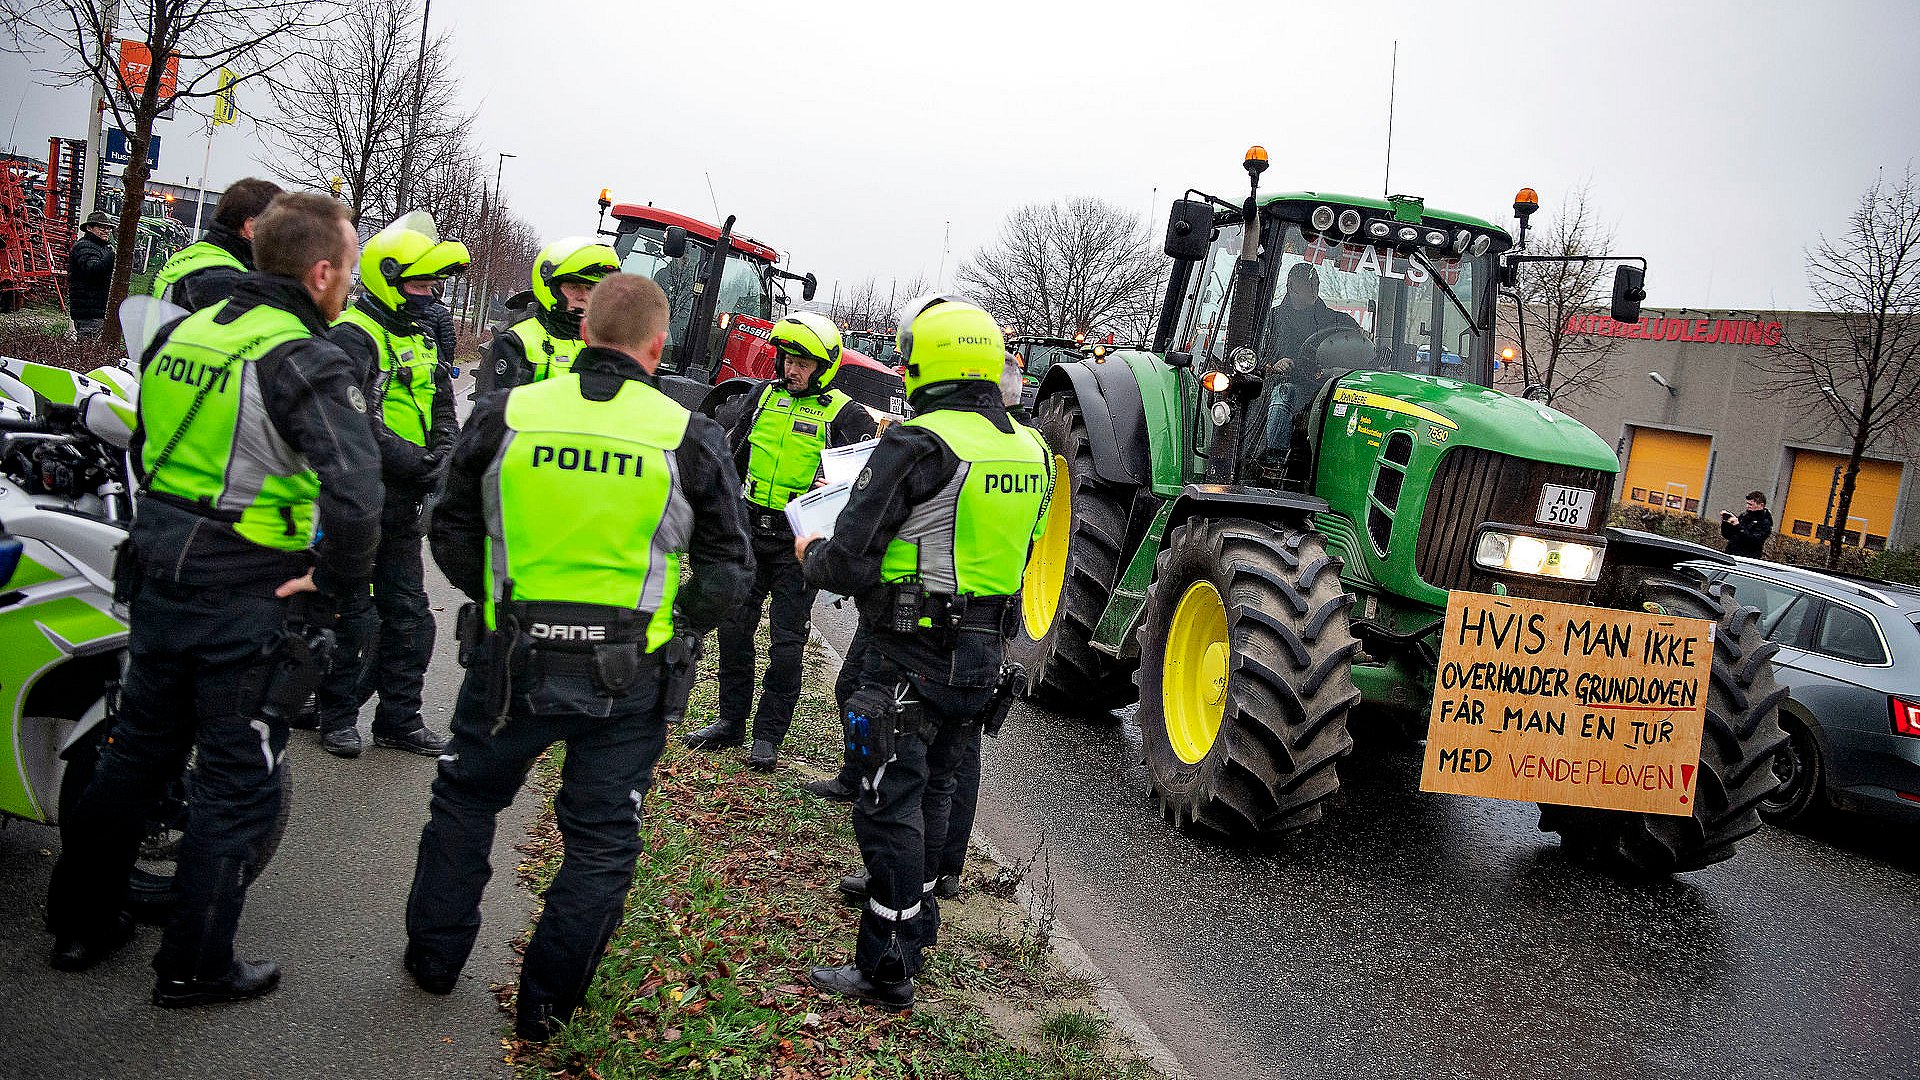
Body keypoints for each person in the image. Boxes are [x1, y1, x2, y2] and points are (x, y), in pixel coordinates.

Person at [45, 192, 381, 1007]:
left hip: (159, 572)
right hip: (246, 592)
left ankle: (81, 925)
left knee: (134, 759)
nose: (354, 284)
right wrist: (330, 589)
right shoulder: (304, 356)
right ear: (322, 270)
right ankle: (194, 966)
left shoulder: (179, 331)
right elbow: (358, 498)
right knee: (237, 784)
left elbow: (146, 442)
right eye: (352, 266)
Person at [403, 272, 750, 1041]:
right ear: (657, 348)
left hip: (510, 661)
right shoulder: (688, 436)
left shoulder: (504, 416)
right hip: (628, 674)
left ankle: (432, 962)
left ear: (584, 331)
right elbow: (730, 572)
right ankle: (546, 1010)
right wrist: (676, 626)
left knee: (465, 803)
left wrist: (497, 600)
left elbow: (450, 529)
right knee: (600, 842)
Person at [795, 295, 1053, 1011]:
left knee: (886, 805)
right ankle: (923, 923)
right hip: (983, 654)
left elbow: (847, 563)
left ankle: (887, 964)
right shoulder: (1031, 448)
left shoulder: (918, 443)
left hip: (908, 651)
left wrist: (809, 548)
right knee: (939, 787)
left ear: (924, 363)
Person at [686, 311, 877, 770]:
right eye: (788, 358)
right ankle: (729, 721)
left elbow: (862, 482)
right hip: (750, 532)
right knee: (734, 630)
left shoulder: (845, 414)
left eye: (804, 363)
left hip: (799, 543)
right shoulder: (760, 398)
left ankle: (768, 736)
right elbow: (732, 456)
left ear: (824, 367)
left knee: (787, 643)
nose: (792, 369)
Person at [314, 213, 468, 758]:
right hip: (360, 500)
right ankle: (334, 716)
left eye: (434, 286)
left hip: (403, 504)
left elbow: (442, 402)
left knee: (411, 619)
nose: (430, 295)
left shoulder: (421, 335)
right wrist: (419, 463)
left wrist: (443, 454)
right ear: (387, 277)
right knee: (352, 615)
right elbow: (357, 424)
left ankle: (398, 720)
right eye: (420, 284)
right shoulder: (354, 338)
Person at [485, 238, 620, 392]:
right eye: (574, 287)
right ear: (551, 288)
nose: (584, 296)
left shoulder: (609, 344)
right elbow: (502, 408)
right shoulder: (517, 342)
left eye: (590, 288)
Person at [149, 178, 285, 311]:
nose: (285, 241)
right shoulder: (224, 283)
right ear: (252, 227)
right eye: (280, 228)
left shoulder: (194, 256)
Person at [1264, 260, 1361, 368]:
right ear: (1292, 286)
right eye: (1309, 284)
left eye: (1316, 284)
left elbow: (1360, 349)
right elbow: (1256, 358)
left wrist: (1363, 336)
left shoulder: (1340, 320)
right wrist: (1274, 365)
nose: (1314, 289)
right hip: (1283, 381)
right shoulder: (1271, 320)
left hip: (1329, 382)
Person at [67, 210, 115, 339]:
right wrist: (113, 257)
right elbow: (93, 269)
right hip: (89, 313)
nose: (106, 231)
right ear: (89, 228)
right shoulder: (84, 247)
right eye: (101, 227)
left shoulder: (101, 247)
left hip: (96, 310)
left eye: (108, 228)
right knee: (88, 352)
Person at [1721, 491, 1773, 558]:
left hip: (1747, 559)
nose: (1747, 507)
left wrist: (1738, 526)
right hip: (1731, 555)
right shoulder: (1744, 516)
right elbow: (1728, 535)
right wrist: (1726, 522)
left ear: (1761, 505)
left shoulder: (1764, 522)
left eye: (1750, 505)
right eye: (1747, 504)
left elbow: (1753, 541)